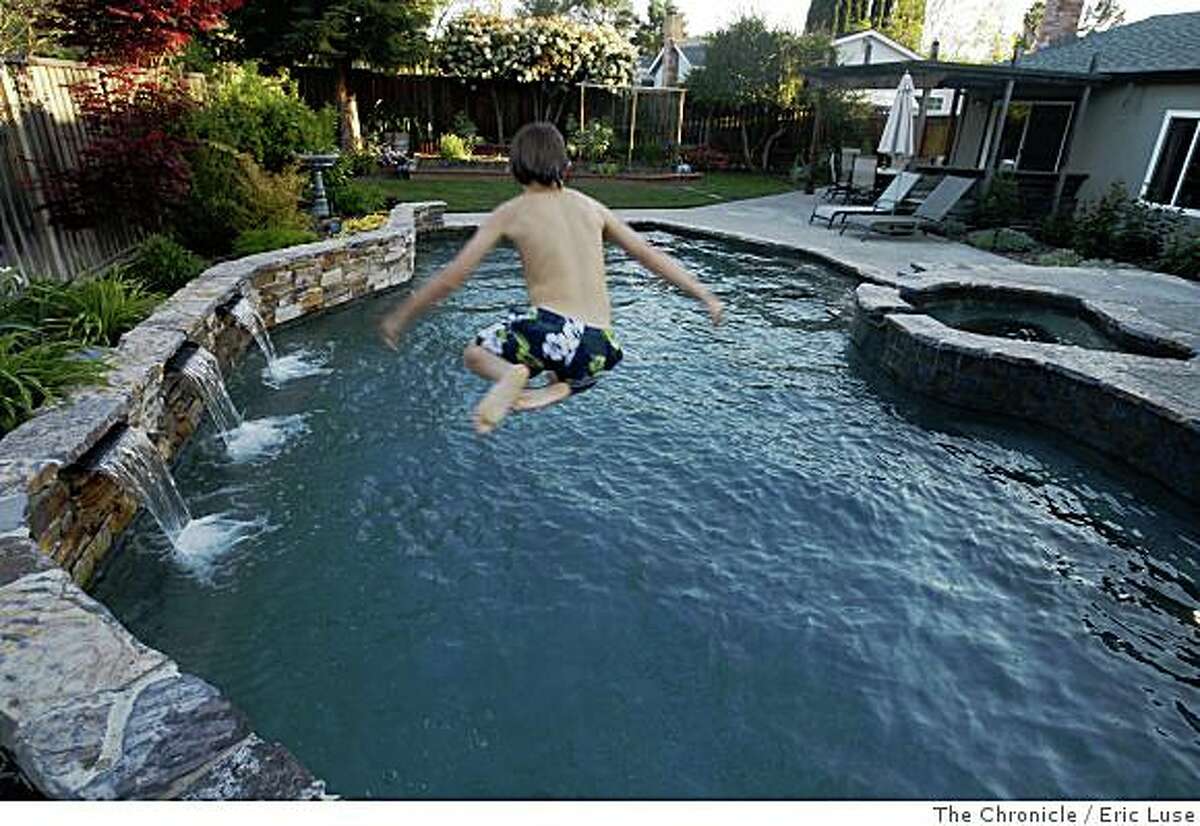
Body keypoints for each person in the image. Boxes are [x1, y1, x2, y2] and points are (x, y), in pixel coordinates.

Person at [379, 122, 723, 435]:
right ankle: (542, 395)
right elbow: (650, 256)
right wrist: (704, 295)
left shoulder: (510, 213)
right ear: (567, 167)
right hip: (601, 344)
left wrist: (401, 315)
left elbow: (452, 279)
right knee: (575, 369)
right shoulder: (593, 208)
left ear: (514, 170)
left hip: (553, 328)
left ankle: (512, 376)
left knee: (474, 353)